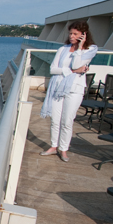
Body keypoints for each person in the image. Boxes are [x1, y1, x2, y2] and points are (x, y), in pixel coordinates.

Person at [40, 21, 98, 162]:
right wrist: (72, 71)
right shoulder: (62, 49)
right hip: (57, 87)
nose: (71, 36)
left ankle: (64, 149)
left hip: (75, 89)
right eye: (70, 33)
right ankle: (54, 146)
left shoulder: (89, 50)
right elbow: (53, 69)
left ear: (83, 35)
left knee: (67, 121)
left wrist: (79, 48)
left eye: (75, 34)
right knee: (55, 120)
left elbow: (78, 64)